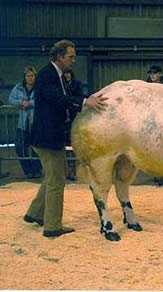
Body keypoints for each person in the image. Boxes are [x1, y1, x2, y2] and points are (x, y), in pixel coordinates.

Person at [23, 39, 108, 238]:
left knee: (54, 175)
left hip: (50, 136)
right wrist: (86, 102)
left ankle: (35, 213)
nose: (73, 60)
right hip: (47, 138)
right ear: (59, 56)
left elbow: (71, 95)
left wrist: (88, 98)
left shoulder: (57, 75)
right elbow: (58, 100)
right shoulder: (46, 75)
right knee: (56, 181)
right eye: (71, 56)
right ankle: (52, 227)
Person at [8, 66, 42, 179]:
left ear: (35, 77)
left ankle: (37, 170)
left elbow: (43, 100)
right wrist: (21, 102)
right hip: (22, 124)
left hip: (36, 123)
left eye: (32, 76)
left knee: (36, 148)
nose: (30, 78)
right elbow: (11, 99)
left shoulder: (40, 88)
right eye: (28, 76)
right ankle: (28, 170)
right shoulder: (18, 87)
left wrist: (30, 103)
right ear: (24, 77)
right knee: (19, 147)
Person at [64, 70, 83, 181]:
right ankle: (66, 171)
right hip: (63, 118)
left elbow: (79, 97)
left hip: (73, 117)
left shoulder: (77, 84)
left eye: (68, 73)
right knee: (64, 147)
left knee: (72, 146)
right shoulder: (60, 84)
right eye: (65, 73)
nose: (67, 75)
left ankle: (73, 171)